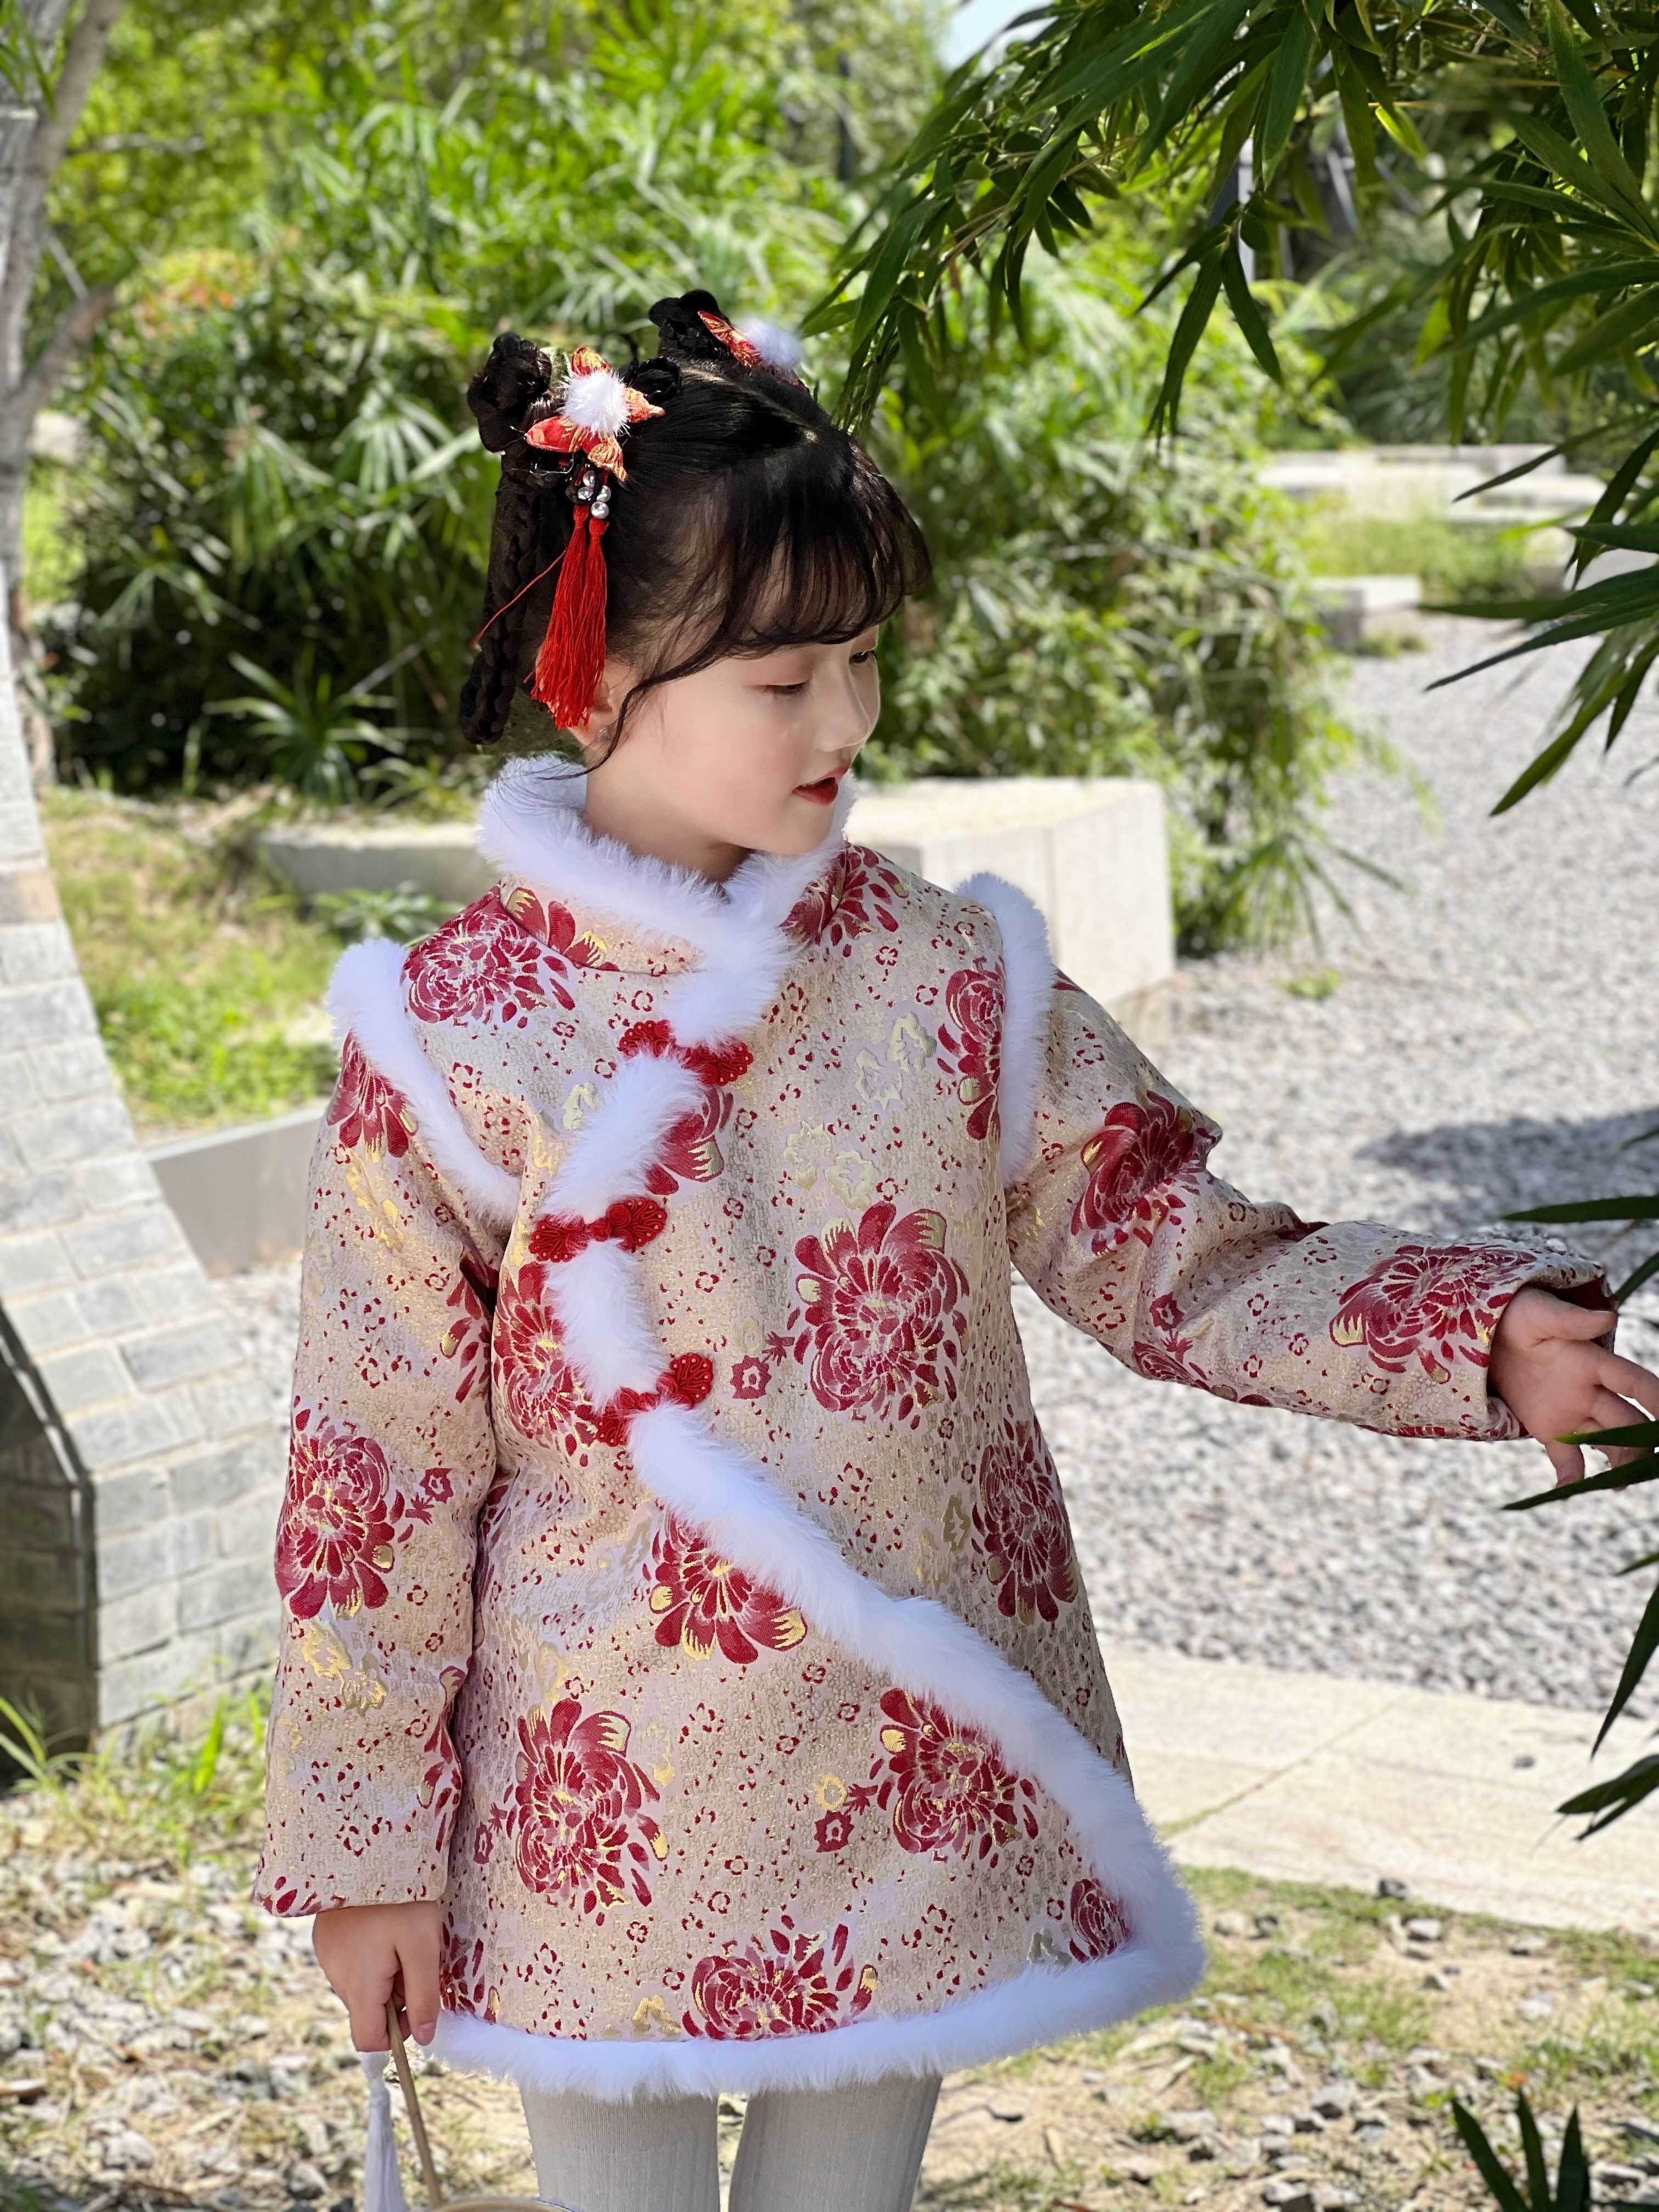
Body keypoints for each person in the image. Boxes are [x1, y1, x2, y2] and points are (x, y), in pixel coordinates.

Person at [256, 291, 1659, 2212]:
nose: (846, 722)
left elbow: (1185, 1253)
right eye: (779, 682)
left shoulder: (951, 980)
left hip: (908, 1761)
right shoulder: (451, 1035)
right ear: (593, 678)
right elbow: (374, 1477)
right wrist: (365, 1856)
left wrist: (1474, 1336)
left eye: (860, 658)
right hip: (601, 1787)